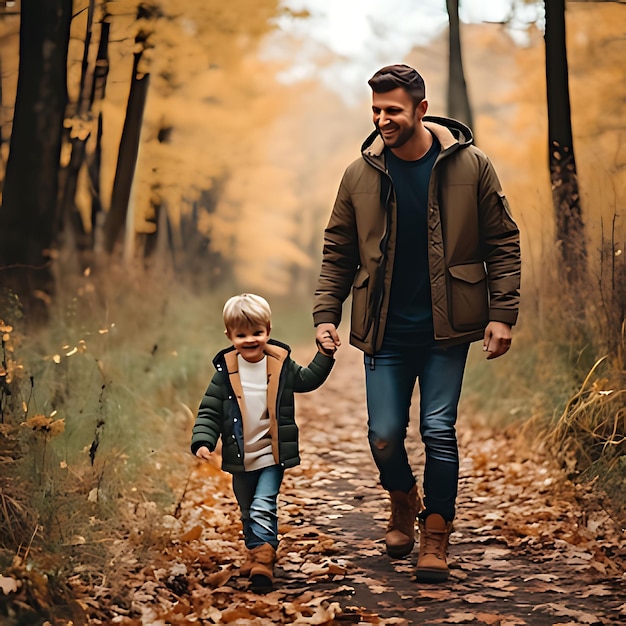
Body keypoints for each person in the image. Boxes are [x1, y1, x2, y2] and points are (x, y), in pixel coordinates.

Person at [313, 64, 521, 583]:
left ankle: (435, 532)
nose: (383, 120)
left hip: (446, 330)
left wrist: (502, 314)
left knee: (438, 430)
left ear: (421, 110)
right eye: (377, 111)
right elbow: (337, 250)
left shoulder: (471, 167)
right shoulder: (360, 173)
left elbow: (503, 242)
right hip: (384, 330)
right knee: (383, 436)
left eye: (393, 111)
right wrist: (324, 313)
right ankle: (403, 498)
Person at [191, 293, 335, 594]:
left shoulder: (280, 364)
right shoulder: (224, 374)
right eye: (241, 334)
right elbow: (210, 411)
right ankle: (256, 551)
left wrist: (325, 355)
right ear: (229, 336)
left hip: (272, 453)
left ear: (267, 330)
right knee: (246, 510)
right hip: (240, 455)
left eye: (256, 333)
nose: (250, 340)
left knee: (262, 506)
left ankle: (265, 561)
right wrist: (203, 441)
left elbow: (307, 380)